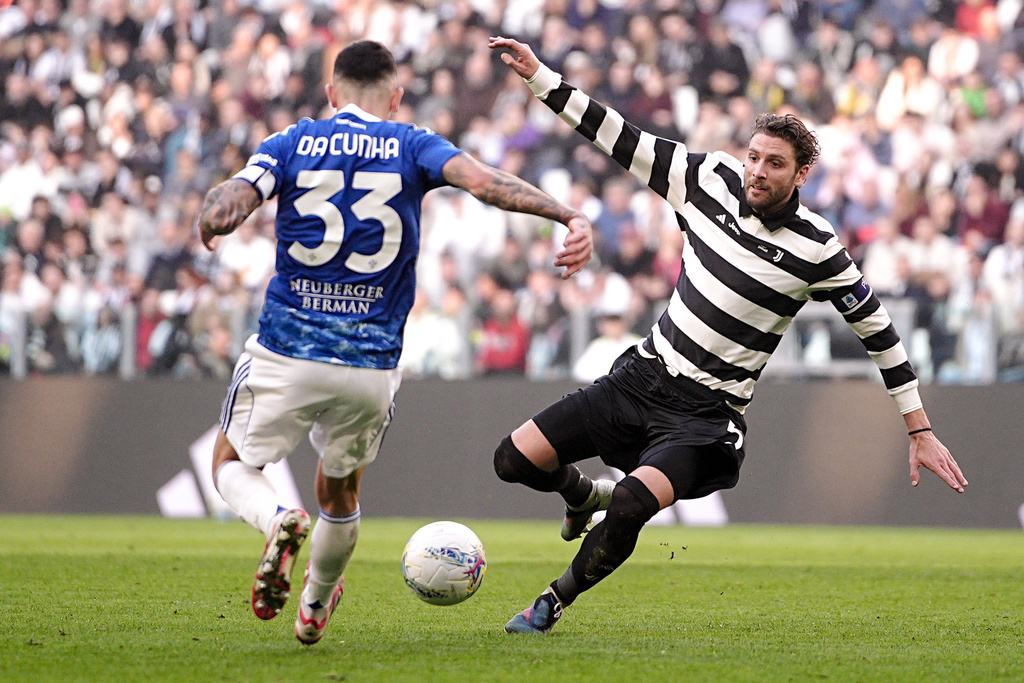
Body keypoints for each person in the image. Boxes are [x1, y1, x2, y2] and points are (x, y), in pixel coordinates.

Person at [485, 36, 967, 635]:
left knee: (633, 503)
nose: (757, 172)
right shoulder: (706, 179)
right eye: (754, 157)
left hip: (706, 419)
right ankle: (583, 495)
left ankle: (551, 603)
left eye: (774, 164)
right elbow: (619, 136)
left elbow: (880, 334)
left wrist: (918, 429)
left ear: (802, 174)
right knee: (513, 460)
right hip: (641, 377)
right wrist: (541, 78)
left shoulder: (819, 248)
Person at [197, 40, 592, 645]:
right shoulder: (413, 144)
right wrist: (567, 215)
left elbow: (233, 202)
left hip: (287, 349)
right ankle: (314, 605)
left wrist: (211, 216)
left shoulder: (293, 142)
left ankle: (278, 518)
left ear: (332, 94)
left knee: (229, 465)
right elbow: (485, 184)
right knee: (341, 491)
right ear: (396, 96)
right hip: (370, 366)